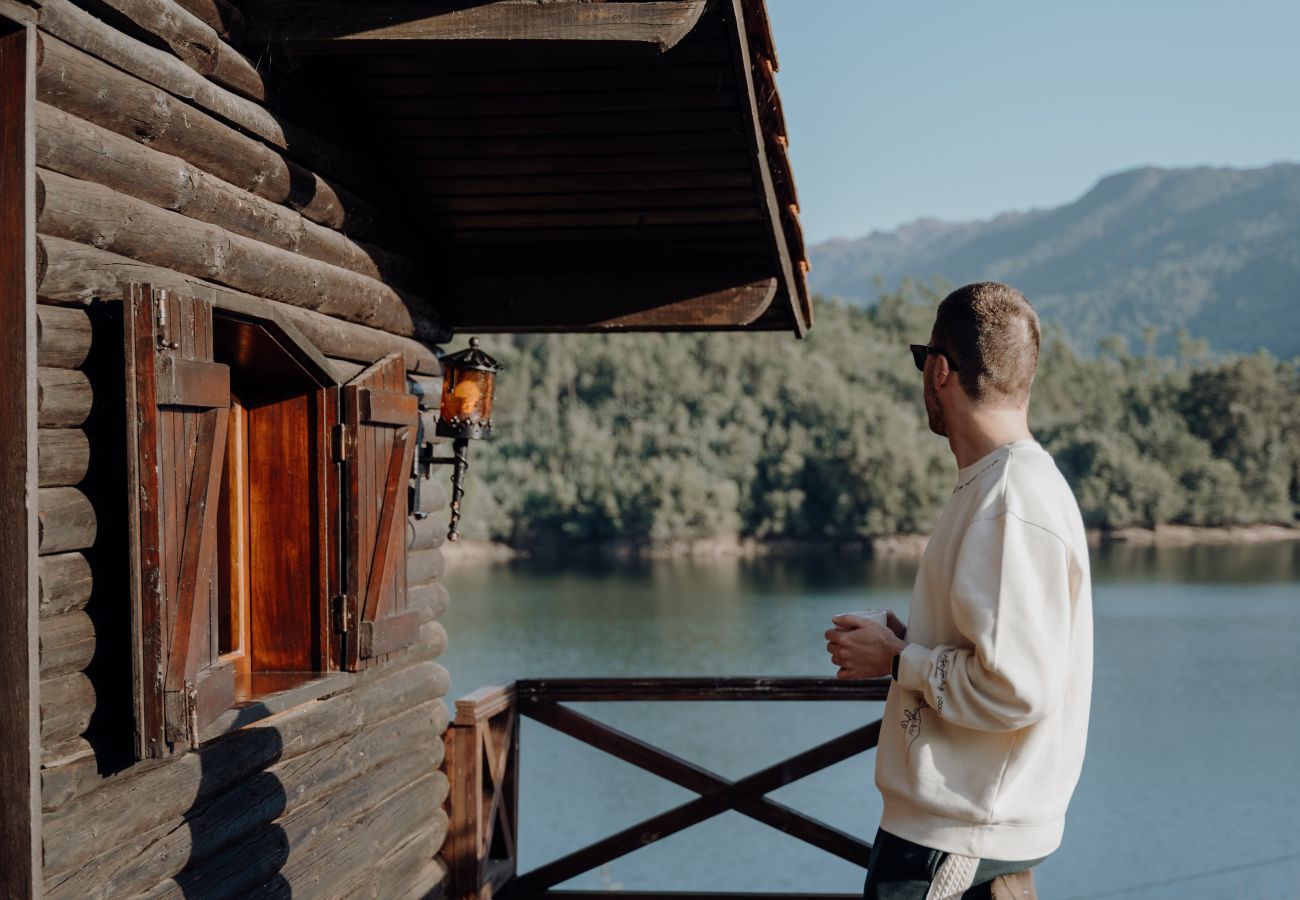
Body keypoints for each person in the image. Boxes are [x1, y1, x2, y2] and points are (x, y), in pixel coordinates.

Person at [825, 282, 1093, 900]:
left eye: (924, 360)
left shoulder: (1010, 499)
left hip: (956, 842)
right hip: (962, 833)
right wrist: (910, 641)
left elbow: (1016, 687)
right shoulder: (1006, 485)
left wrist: (898, 661)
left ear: (940, 370)